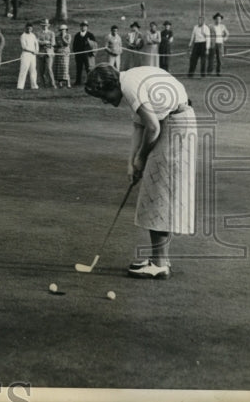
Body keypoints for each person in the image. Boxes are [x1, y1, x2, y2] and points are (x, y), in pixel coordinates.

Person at [84, 64, 196, 279]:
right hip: (173, 122)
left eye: (103, 95)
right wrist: (132, 162)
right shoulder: (129, 80)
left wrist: (142, 157)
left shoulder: (130, 86)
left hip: (175, 126)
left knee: (159, 195)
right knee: (157, 193)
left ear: (112, 85)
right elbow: (139, 127)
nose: (104, 100)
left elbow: (153, 127)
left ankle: (160, 264)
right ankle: (158, 259)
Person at [72, 21, 97, 85]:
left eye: (85, 26)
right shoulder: (77, 35)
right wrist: (76, 52)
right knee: (79, 68)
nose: (83, 27)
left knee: (88, 68)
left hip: (87, 55)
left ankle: (90, 81)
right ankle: (78, 82)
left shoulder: (90, 35)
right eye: (82, 26)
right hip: (79, 55)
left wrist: (89, 43)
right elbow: (74, 45)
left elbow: (94, 45)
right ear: (80, 27)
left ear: (87, 27)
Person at [17, 23, 39, 90]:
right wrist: (32, 50)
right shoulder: (23, 36)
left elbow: (36, 43)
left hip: (33, 55)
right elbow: (24, 47)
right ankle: (20, 86)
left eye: (30, 28)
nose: (29, 29)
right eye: (28, 28)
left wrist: (36, 50)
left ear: (32, 29)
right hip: (26, 54)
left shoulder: (33, 35)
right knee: (24, 70)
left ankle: (34, 85)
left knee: (33, 70)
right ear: (25, 28)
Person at [37, 19, 56, 89]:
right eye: (43, 25)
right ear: (41, 26)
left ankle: (53, 84)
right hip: (41, 53)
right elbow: (37, 42)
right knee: (41, 70)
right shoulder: (38, 33)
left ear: (48, 26)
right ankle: (43, 84)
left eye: (46, 25)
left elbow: (53, 43)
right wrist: (45, 42)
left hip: (49, 53)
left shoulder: (51, 33)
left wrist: (45, 43)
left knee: (49, 68)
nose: (44, 26)